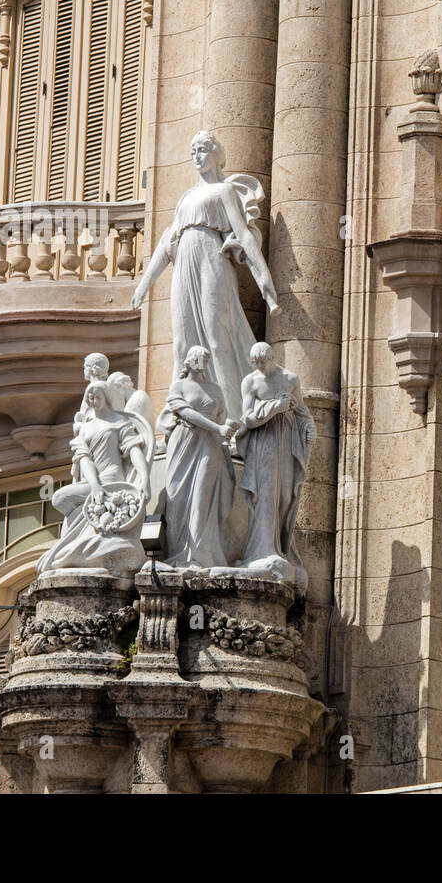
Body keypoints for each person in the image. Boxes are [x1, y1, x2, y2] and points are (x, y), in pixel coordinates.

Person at [130, 131, 280, 419]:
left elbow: (243, 235)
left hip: (212, 261)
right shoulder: (186, 197)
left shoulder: (223, 191)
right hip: (184, 262)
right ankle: (180, 414)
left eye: (202, 150)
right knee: (182, 341)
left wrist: (263, 277)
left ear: (215, 154)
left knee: (216, 337)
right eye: (192, 151)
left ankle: (235, 415)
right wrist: (144, 285)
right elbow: (166, 243)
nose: (196, 156)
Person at [37, 381, 152, 575]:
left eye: (97, 395)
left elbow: (134, 452)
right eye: (90, 396)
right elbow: (85, 460)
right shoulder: (86, 429)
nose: (93, 399)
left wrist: (145, 478)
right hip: (94, 482)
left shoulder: (118, 422)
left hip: (113, 480)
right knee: (59, 498)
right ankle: (82, 538)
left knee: (64, 498)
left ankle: (83, 542)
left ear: (106, 397)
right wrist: (95, 486)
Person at [236, 342, 315, 579]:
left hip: (285, 443)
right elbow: (247, 419)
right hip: (262, 443)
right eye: (255, 363)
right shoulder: (250, 382)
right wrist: (274, 408)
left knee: (284, 495)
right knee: (266, 494)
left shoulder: (290, 379)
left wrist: (309, 427)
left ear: (272, 357)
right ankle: (261, 550)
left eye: (263, 361)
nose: (259, 366)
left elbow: (301, 412)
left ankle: (279, 547)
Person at [160, 346, 241, 570]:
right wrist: (218, 427)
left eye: (206, 358)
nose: (203, 361)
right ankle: (180, 553)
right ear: (190, 360)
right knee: (177, 495)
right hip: (184, 441)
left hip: (209, 444)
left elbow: (223, 416)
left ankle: (199, 555)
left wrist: (228, 427)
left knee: (203, 495)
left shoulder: (215, 389)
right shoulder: (179, 386)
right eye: (200, 358)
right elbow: (186, 413)